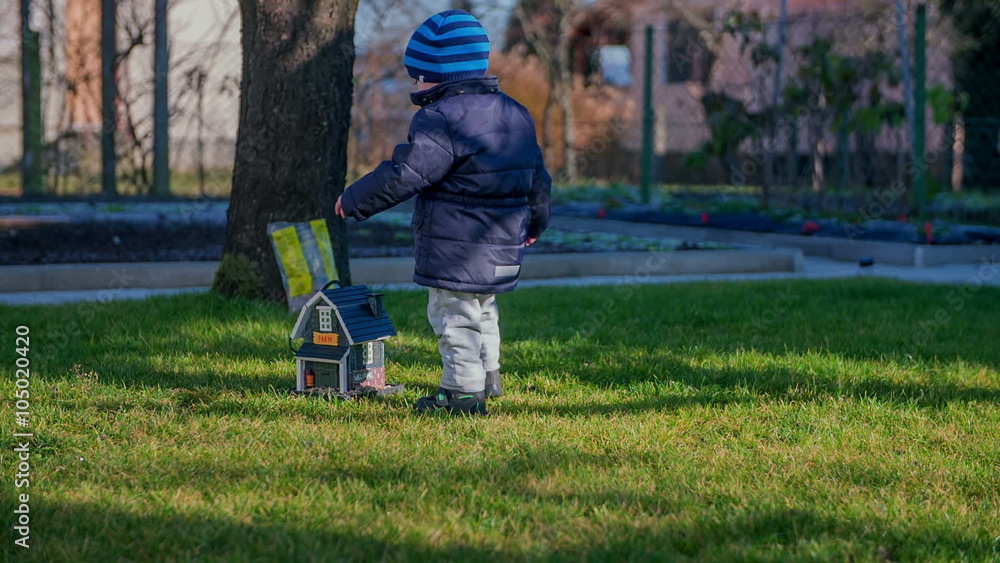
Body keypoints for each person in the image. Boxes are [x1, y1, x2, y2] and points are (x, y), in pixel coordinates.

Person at [336, 9, 551, 416]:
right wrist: (537, 223)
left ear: (441, 75)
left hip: (458, 249)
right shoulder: (516, 113)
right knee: (483, 310)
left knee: (454, 317)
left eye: (418, 76)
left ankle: (461, 394)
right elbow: (538, 178)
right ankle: (489, 378)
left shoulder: (440, 119)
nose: (415, 84)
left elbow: (405, 173)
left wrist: (353, 200)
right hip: (504, 245)